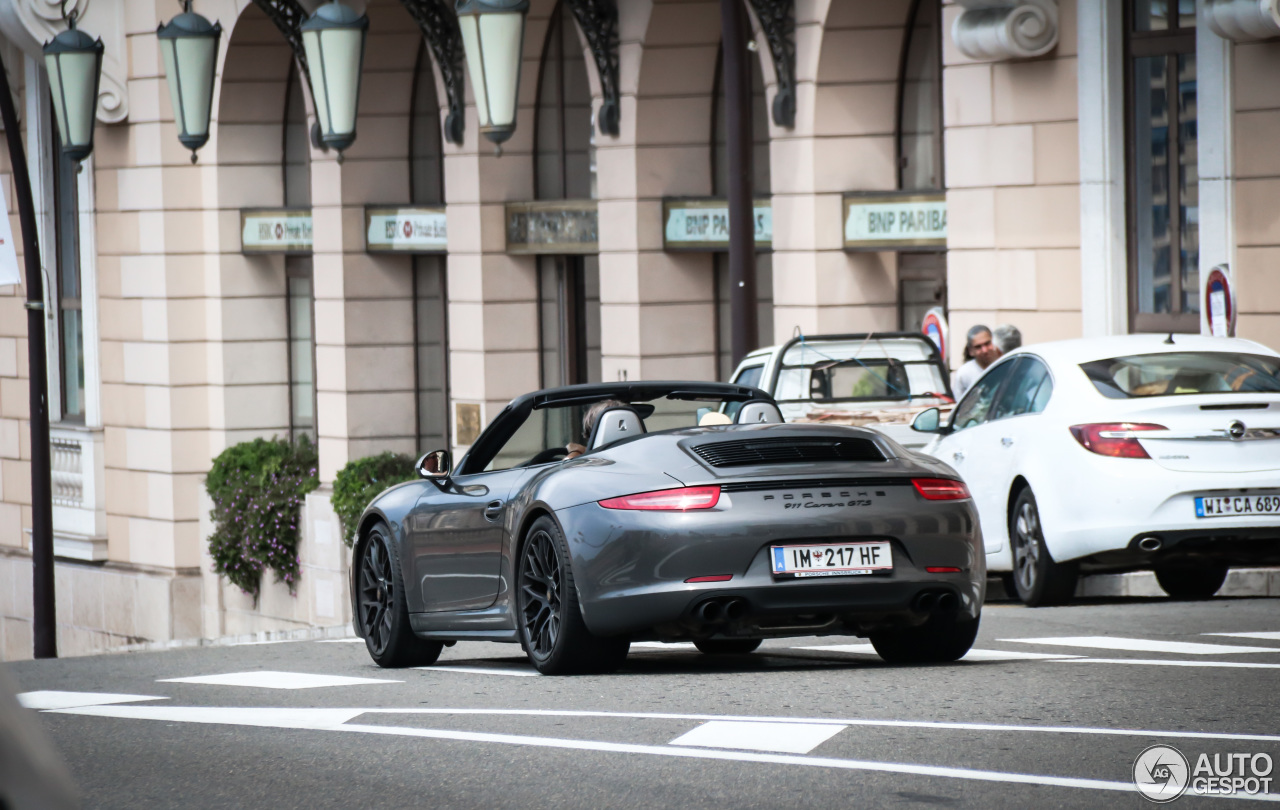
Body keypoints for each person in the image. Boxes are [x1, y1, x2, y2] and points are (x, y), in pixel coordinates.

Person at [953, 324, 1003, 401]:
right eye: (978, 347)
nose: (985, 350)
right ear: (971, 351)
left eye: (987, 344)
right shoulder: (964, 374)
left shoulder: (1006, 365)